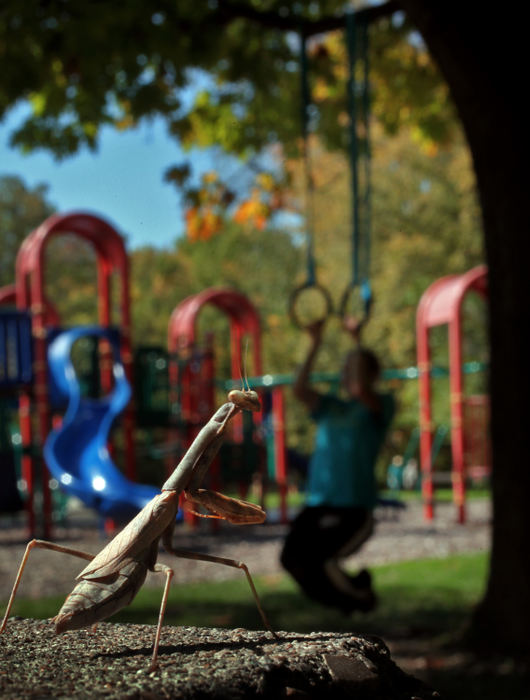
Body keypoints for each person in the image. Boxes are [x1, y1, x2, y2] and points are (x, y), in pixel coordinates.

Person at [280, 316, 395, 614]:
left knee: (321, 559)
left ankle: (358, 601)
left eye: (351, 368)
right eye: (344, 369)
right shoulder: (331, 407)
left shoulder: (378, 407)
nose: (345, 374)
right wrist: (314, 342)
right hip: (319, 502)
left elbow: (360, 389)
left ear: (370, 374)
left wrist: (356, 340)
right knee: (291, 559)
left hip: (353, 509)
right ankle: (352, 595)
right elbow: (300, 389)